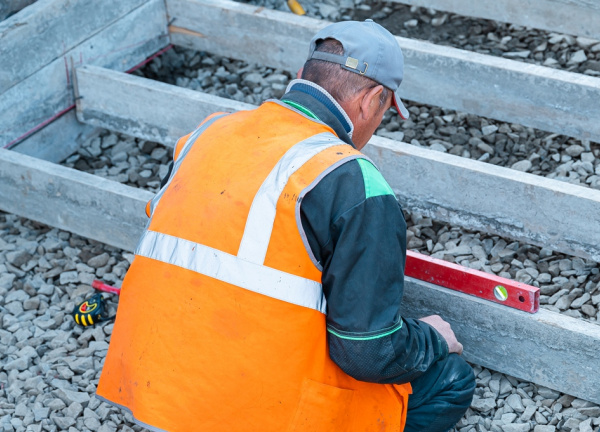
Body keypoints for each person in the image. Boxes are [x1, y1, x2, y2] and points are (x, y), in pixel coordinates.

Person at [97, 19, 475, 432]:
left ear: (301, 77)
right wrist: (432, 339)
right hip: (250, 416)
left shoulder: (208, 134)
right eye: (385, 110)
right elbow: (367, 353)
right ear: (371, 100)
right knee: (450, 380)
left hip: (156, 396)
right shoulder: (351, 180)